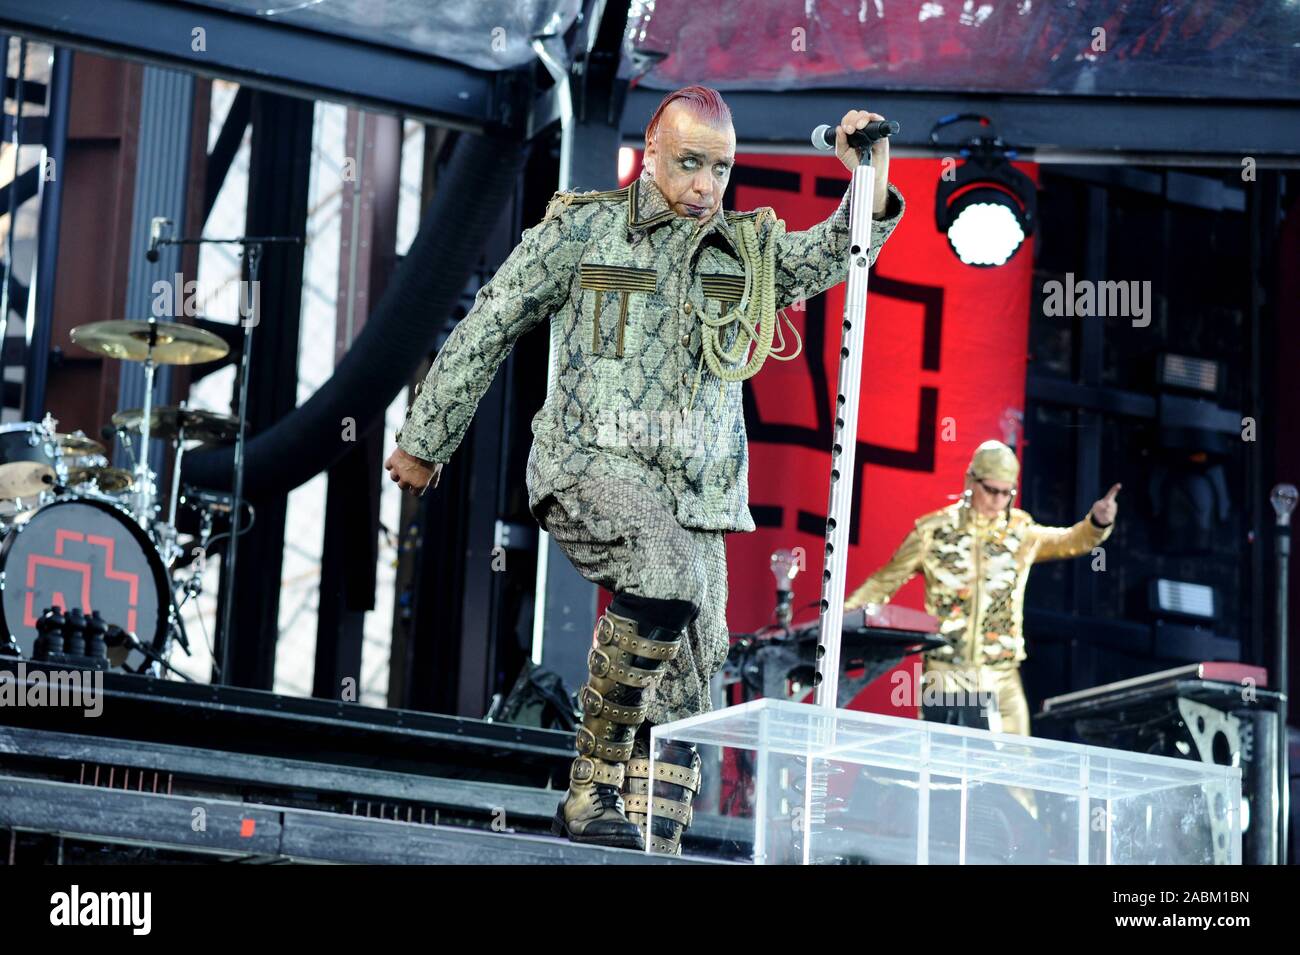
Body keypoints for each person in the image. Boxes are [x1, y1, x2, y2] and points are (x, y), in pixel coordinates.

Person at [387, 85, 906, 852]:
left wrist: (869, 180)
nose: (704, 185)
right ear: (652, 153)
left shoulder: (743, 249)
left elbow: (834, 255)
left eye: (720, 169)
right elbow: (492, 320)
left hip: (697, 494)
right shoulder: (584, 230)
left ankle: (651, 842)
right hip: (589, 463)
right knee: (663, 573)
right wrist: (426, 438)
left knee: (694, 684)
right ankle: (590, 783)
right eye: (689, 163)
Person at [845, 440, 1120, 737]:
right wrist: (843, 616)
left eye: (1006, 492)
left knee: (1017, 770)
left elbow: (1069, 541)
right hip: (947, 670)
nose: (998, 500)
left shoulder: (1020, 531)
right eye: (991, 490)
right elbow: (884, 580)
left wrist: (1096, 523)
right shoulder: (933, 532)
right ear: (970, 481)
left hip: (1002, 674)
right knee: (946, 772)